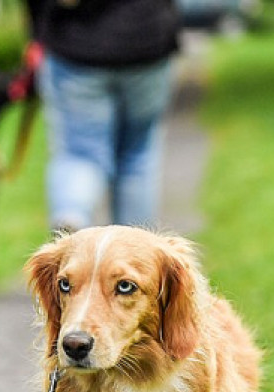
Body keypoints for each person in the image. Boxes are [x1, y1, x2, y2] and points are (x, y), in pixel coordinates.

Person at [24, 0, 181, 232]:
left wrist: (37, 32)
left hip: (76, 47)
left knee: (80, 154)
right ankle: (135, 254)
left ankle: (71, 221)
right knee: (136, 158)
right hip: (146, 42)